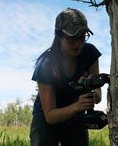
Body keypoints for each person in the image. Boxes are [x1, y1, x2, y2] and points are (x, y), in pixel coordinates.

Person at [30, 8, 102, 146]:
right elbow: (50, 116)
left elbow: (98, 96)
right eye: (72, 38)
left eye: (82, 37)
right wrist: (77, 106)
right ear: (59, 36)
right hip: (45, 121)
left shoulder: (90, 53)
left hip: (76, 118)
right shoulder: (45, 63)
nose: (78, 44)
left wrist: (89, 91)